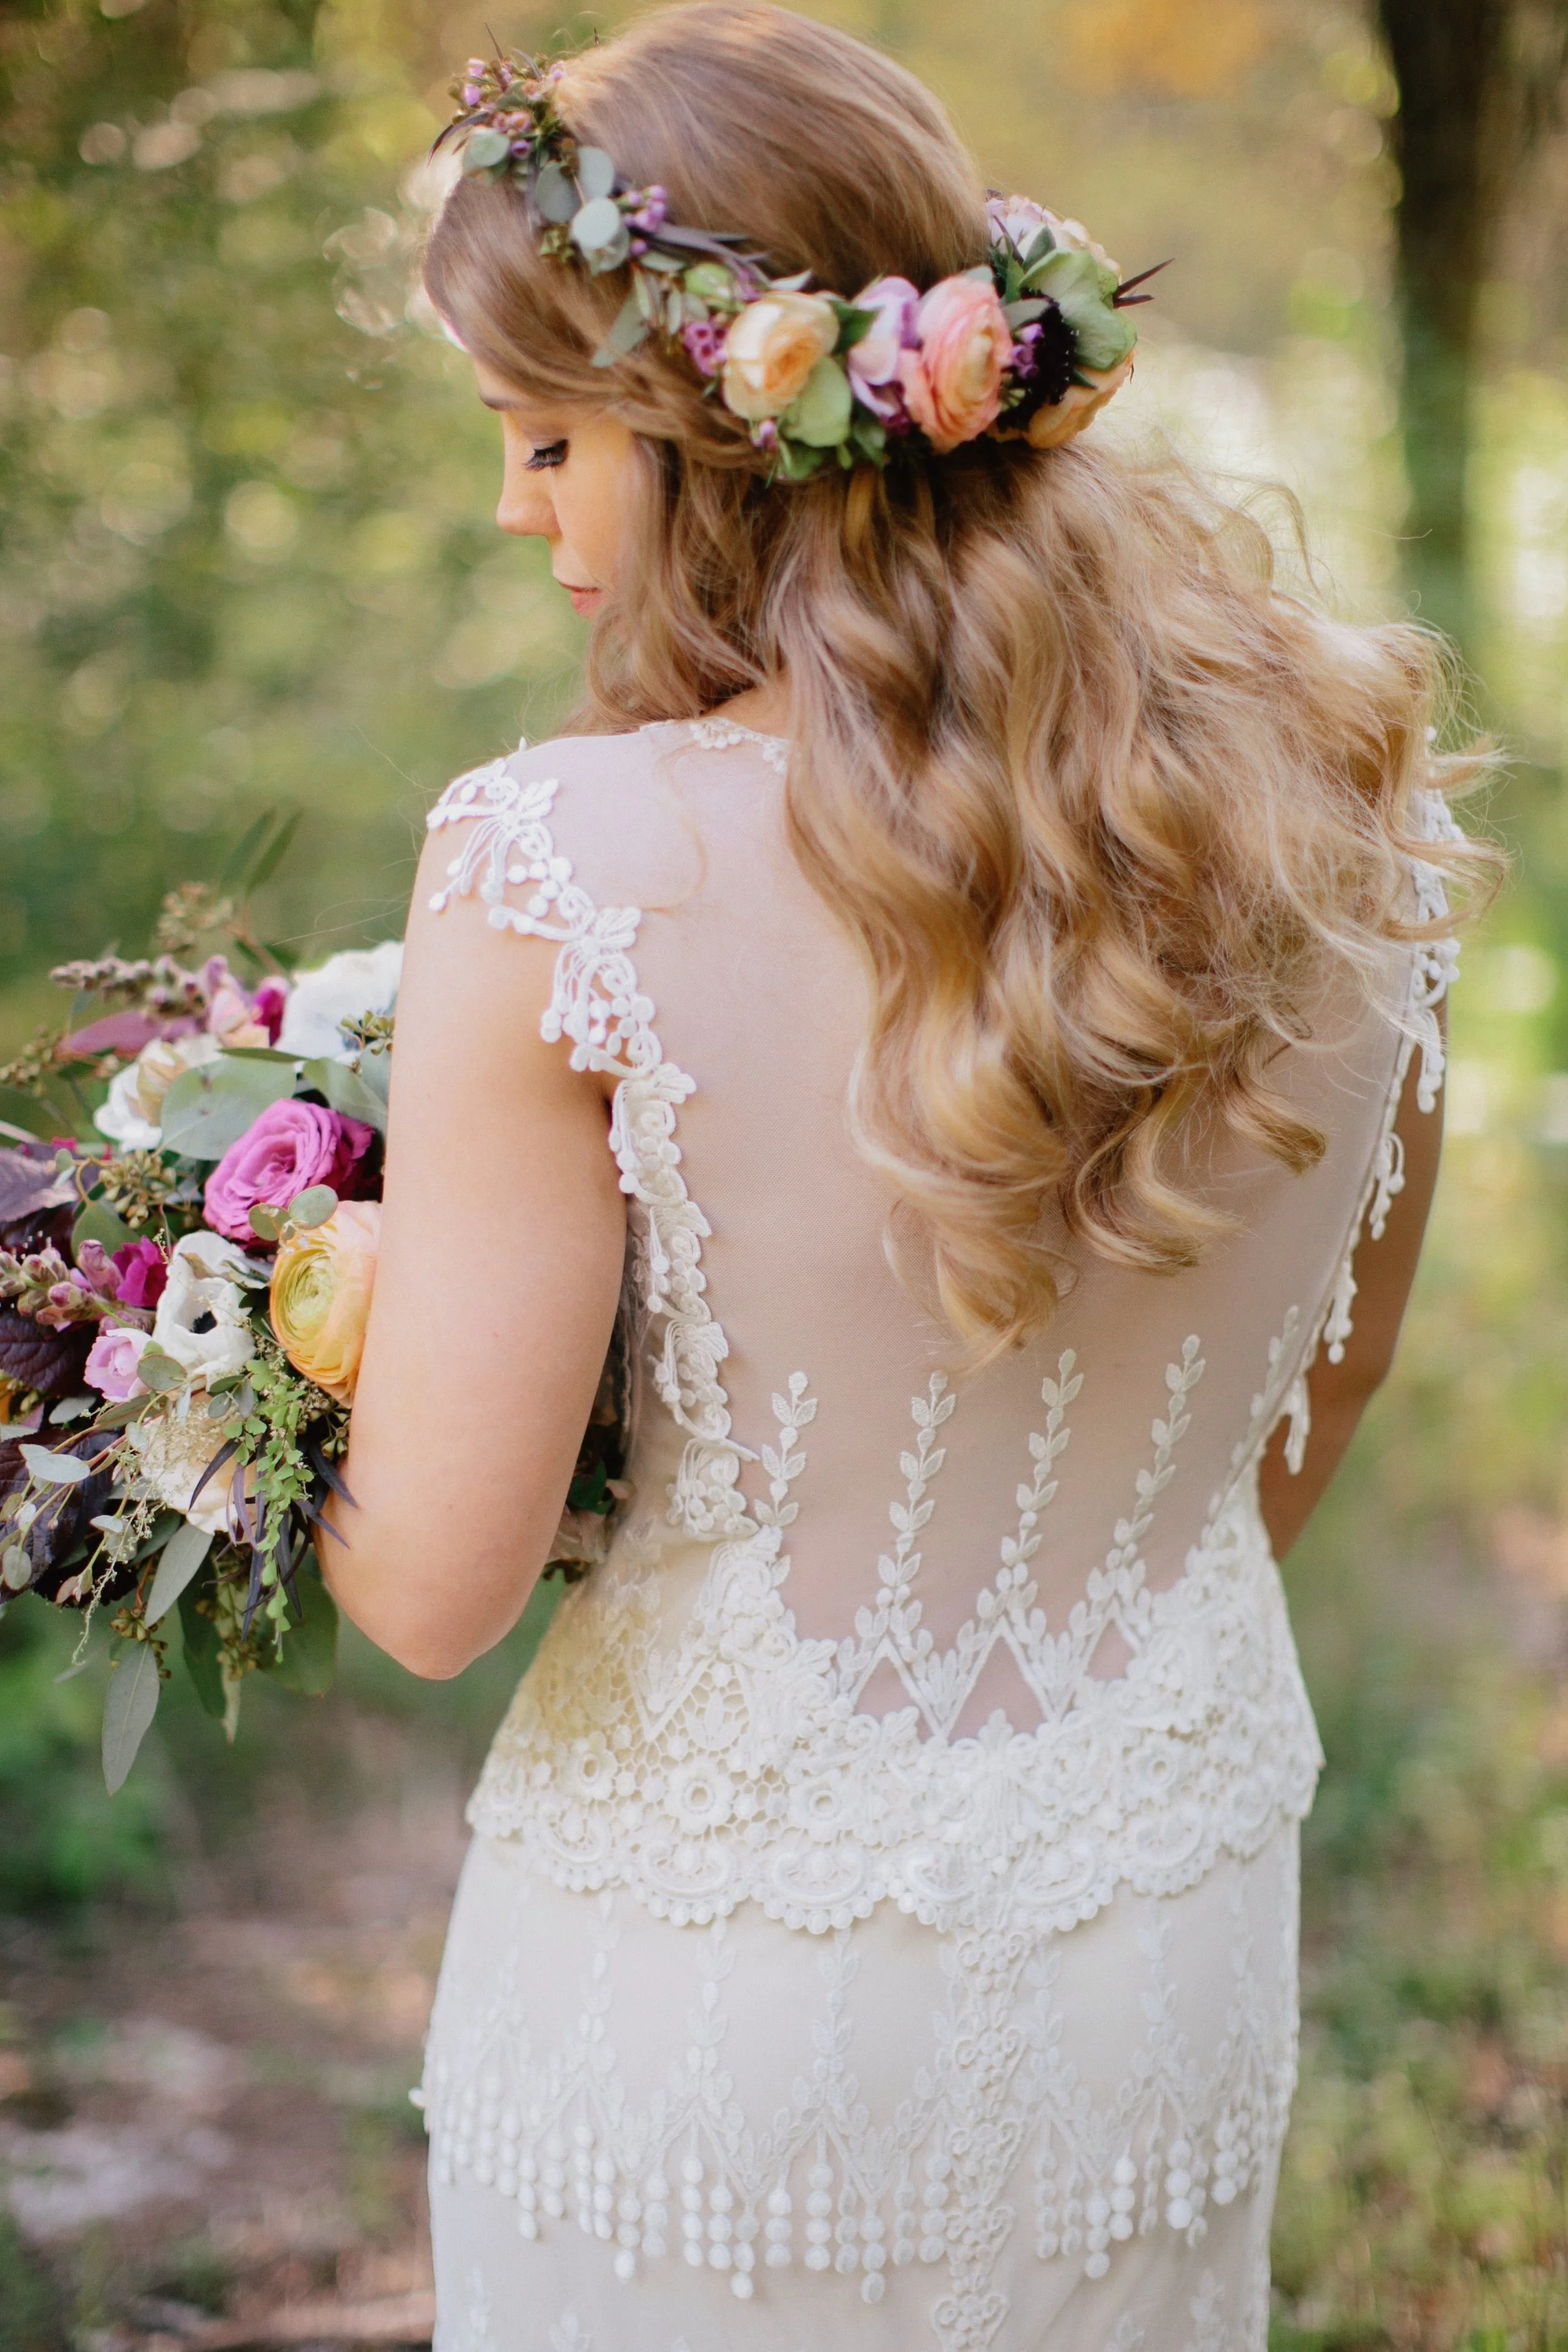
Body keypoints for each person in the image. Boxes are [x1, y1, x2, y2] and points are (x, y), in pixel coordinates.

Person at [322, 7, 1493, 2345]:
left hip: (700, 1999)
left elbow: (430, 1592)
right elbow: (1289, 1443)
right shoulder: (1346, 824)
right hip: (1152, 1954)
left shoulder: (563, 868)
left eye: (546, 439)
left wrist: (315, 1305)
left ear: (707, 435)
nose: (514, 504)